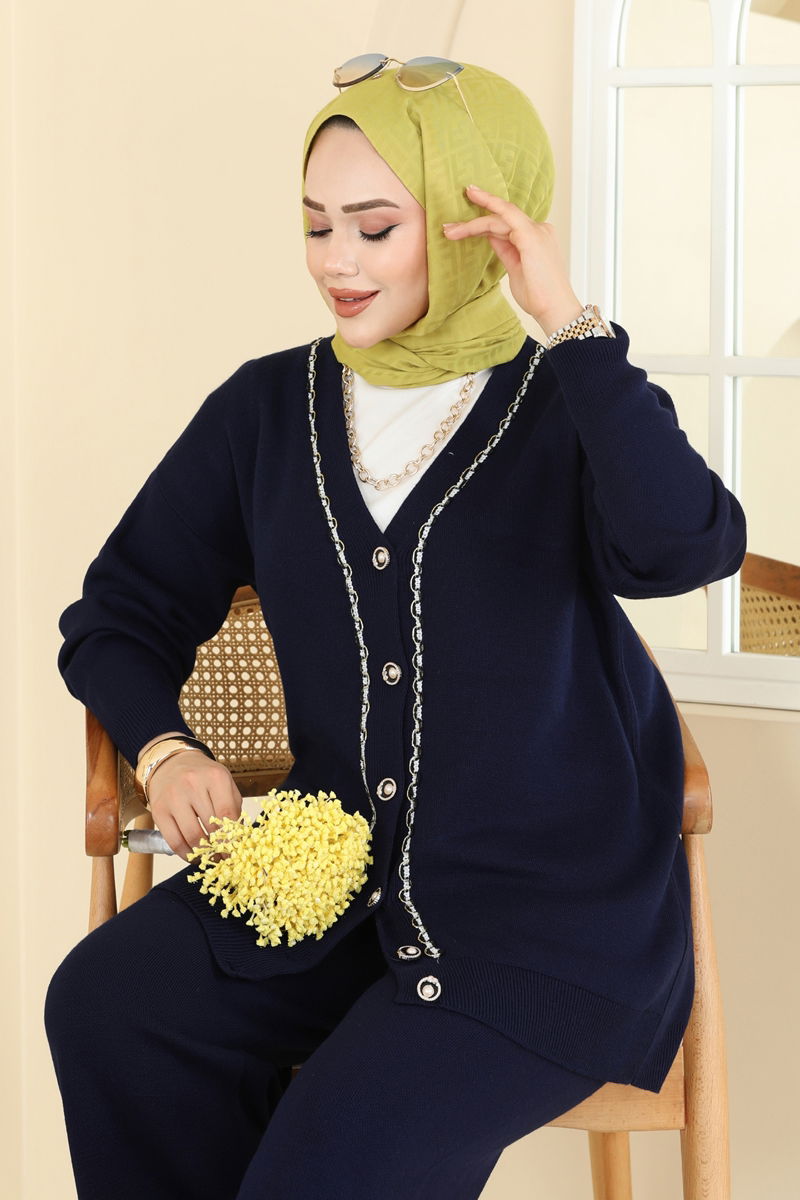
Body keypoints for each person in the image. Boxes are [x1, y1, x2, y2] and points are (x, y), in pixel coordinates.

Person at [45, 56, 746, 1200]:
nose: (335, 262)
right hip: (334, 892)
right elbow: (118, 611)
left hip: (542, 926)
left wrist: (567, 322)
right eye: (315, 225)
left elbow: (683, 549)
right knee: (109, 1006)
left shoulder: (564, 403)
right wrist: (164, 748)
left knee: (328, 1166)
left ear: (473, 232)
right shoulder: (265, 411)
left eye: (375, 228)